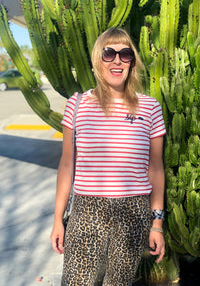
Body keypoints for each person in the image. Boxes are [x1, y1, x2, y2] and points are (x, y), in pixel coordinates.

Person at [50, 27, 166, 285]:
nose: (117, 60)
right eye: (108, 53)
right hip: (87, 210)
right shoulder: (77, 104)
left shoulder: (150, 107)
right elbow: (67, 165)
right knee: (77, 281)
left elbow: (155, 169)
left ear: (132, 62)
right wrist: (58, 219)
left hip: (133, 212)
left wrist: (157, 224)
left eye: (125, 54)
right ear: (97, 59)